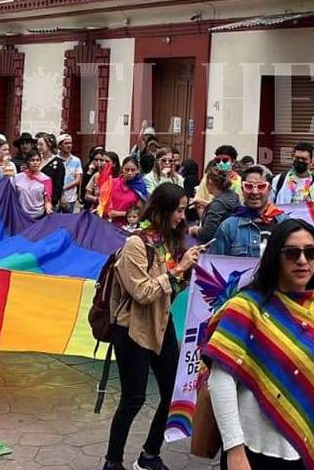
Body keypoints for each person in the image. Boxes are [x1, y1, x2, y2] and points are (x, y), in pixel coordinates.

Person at [204, 218, 314, 470]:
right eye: (292, 253)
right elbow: (220, 380)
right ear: (275, 257)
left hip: (306, 448)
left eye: (311, 252)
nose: (303, 261)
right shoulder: (246, 308)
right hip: (255, 451)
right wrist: (235, 451)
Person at [103, 183, 202, 470]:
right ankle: (112, 462)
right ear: (163, 210)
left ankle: (149, 455)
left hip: (162, 325)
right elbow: (143, 292)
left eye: (185, 210)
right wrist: (178, 269)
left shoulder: (167, 241)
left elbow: (170, 290)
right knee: (133, 399)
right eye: (180, 210)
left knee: (173, 392)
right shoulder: (136, 244)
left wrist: (188, 272)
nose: (183, 217)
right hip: (132, 329)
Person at [211, 167, 287, 257]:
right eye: (249, 186)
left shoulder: (285, 223)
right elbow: (217, 266)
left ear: (269, 189)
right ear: (242, 190)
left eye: (261, 187)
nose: (254, 192)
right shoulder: (228, 227)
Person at [194, 158, 241, 244]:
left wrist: (194, 230)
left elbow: (206, 234)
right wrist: (207, 204)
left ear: (210, 181)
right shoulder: (233, 196)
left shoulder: (217, 205)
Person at [12, 150, 53, 218]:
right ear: (28, 161)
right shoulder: (17, 178)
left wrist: (48, 209)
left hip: (38, 217)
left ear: (41, 161)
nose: (35, 163)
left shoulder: (46, 180)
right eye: (32, 160)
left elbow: (47, 201)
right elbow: (12, 197)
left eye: (37, 160)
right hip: (21, 217)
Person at [56, 134, 83, 213]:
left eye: (70, 143)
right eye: (66, 143)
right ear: (60, 146)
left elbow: (78, 179)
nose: (69, 145)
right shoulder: (55, 160)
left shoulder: (76, 160)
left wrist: (64, 187)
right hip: (56, 197)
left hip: (70, 198)